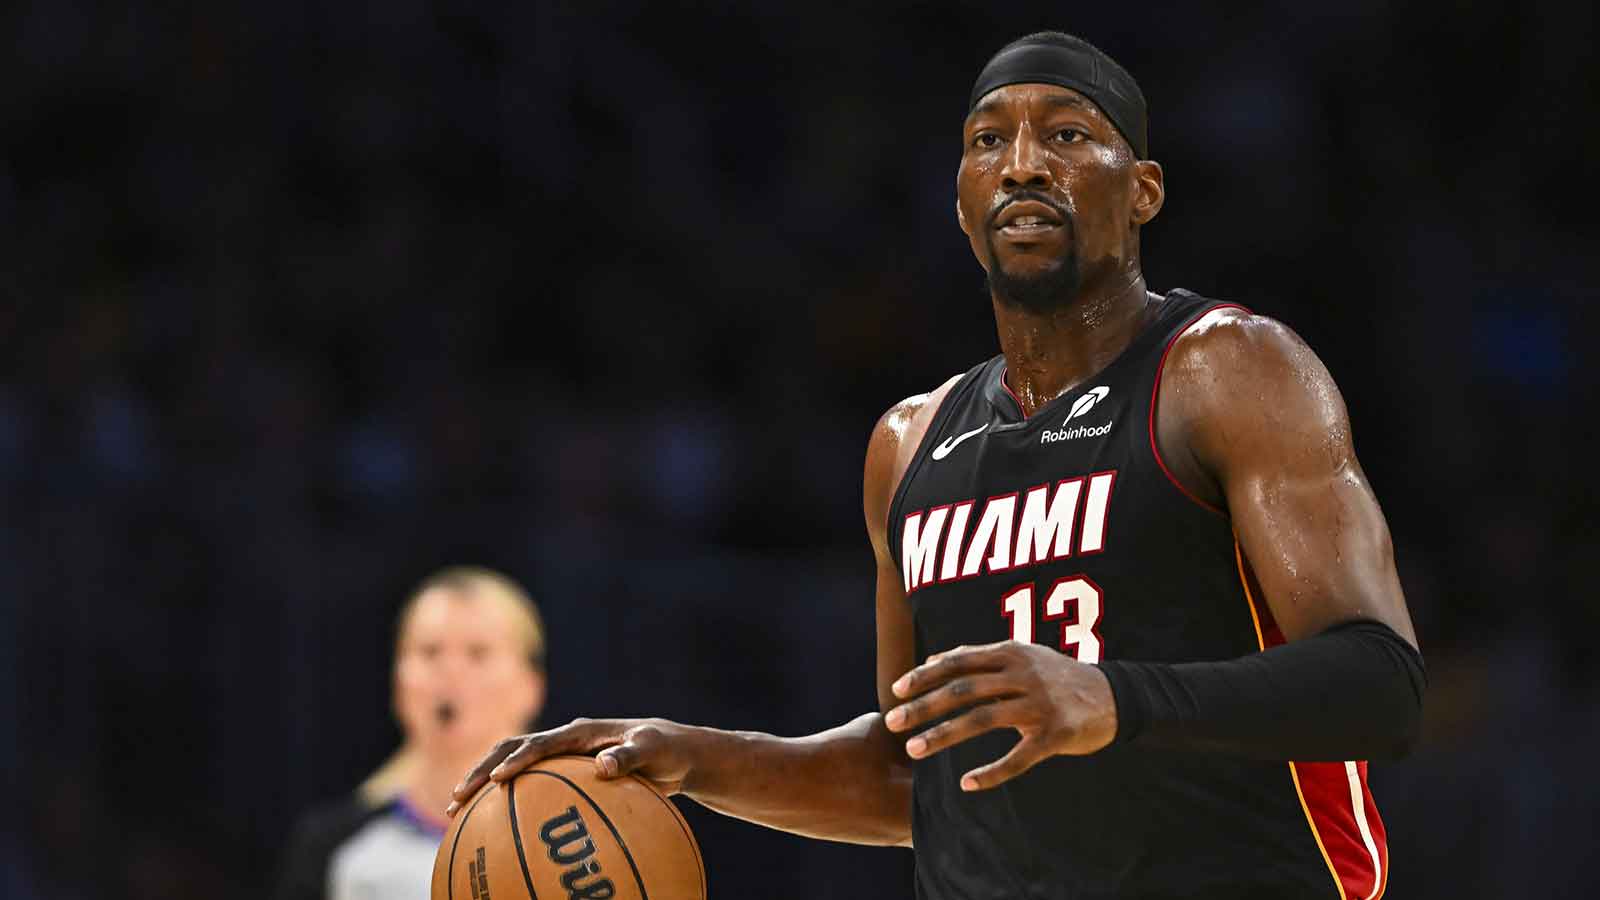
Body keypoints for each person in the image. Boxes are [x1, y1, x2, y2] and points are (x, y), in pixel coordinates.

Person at [450, 31, 1424, 899]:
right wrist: (694, 759)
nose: (1023, 164)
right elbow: (913, 775)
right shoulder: (909, 443)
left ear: (1143, 191)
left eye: (1067, 134)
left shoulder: (1228, 370)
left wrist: (1111, 698)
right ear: (962, 204)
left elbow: (1380, 685)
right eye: (988, 141)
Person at [278, 567, 546, 900]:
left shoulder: (572, 834)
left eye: (478, 653)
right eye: (429, 652)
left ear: (531, 687)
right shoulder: (333, 849)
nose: (451, 672)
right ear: (398, 682)